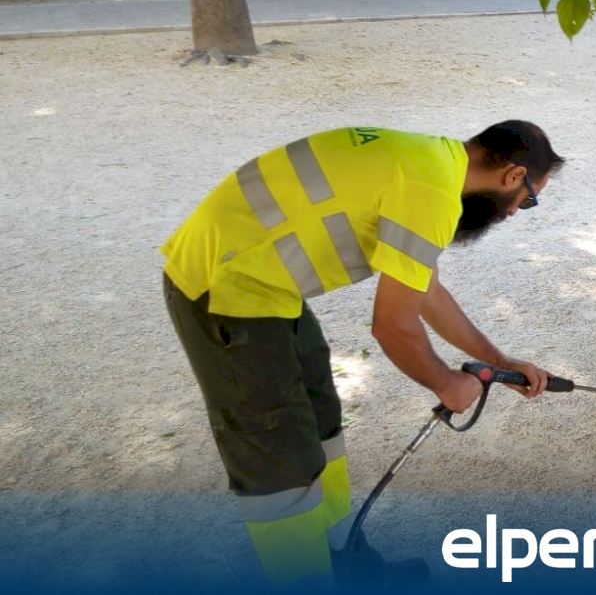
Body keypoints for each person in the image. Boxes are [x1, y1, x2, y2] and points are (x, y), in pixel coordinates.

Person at [161, 122, 563, 587]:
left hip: (266, 288)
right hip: (225, 288)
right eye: (527, 201)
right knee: (279, 460)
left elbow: (427, 292)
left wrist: (501, 361)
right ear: (514, 176)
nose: (514, 212)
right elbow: (392, 326)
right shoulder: (430, 189)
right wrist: (447, 384)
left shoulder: (433, 165)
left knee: (321, 422)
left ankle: (350, 565)